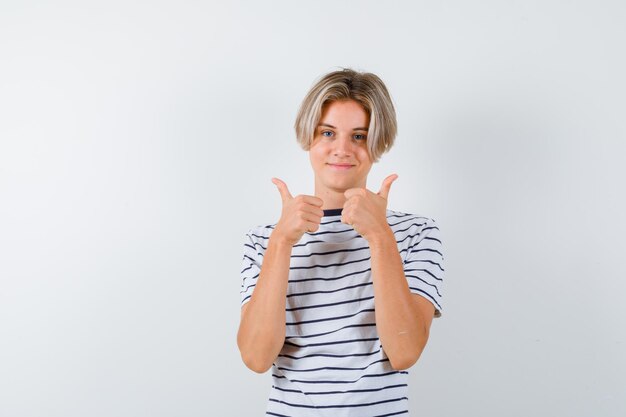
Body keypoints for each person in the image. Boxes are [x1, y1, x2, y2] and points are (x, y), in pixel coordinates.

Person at [237, 68, 445, 417]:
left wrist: (379, 237)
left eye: (360, 136)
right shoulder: (264, 240)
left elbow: (405, 351)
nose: (342, 149)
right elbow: (257, 358)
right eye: (328, 132)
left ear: (378, 143)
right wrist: (281, 243)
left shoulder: (416, 233)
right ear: (309, 138)